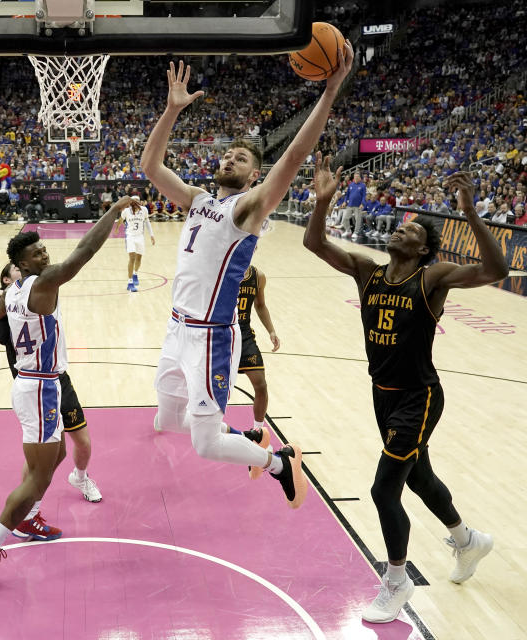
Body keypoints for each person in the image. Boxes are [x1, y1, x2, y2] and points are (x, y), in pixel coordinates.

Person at [139, 52, 352, 508]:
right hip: (177, 328)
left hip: (212, 337)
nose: (229, 159)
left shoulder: (247, 209)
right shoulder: (197, 199)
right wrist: (172, 109)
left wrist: (331, 90)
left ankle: (281, 462)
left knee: (205, 445)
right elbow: (151, 168)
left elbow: (294, 156)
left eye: (240, 159)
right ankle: (248, 436)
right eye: (227, 154)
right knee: (168, 419)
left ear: (254, 176)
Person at [303, 157, 502, 623]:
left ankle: (397, 581)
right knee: (416, 477)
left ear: (424, 249)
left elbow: (496, 268)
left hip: (419, 396)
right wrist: (322, 201)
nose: (400, 230)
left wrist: (471, 213)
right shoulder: (366, 270)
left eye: (411, 231)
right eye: (401, 227)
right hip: (383, 394)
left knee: (383, 489)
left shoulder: (431, 278)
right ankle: (468, 541)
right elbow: (314, 242)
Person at [0, 196, 134, 587]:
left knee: (58, 452)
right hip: (40, 387)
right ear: (23, 264)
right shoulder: (42, 283)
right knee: (39, 480)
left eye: (44, 248)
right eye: (36, 251)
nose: (44, 252)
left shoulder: (13, 290)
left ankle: (21, 517)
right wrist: (113, 212)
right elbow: (84, 251)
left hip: (38, 384)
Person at [0, 263, 103, 504]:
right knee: (42, 459)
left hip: (59, 379)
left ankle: (80, 477)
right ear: (8, 280)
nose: (25, 271)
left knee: (82, 442)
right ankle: (27, 506)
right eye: (17, 269)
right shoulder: (9, 314)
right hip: (34, 388)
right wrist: (3, 299)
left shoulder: (41, 293)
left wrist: (6, 294)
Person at [235, 264, 280, 455]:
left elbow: (260, 305)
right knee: (219, 387)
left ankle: (258, 432)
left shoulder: (258, 276)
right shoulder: (223, 270)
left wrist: (271, 330)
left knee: (260, 384)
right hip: (222, 334)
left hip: (244, 335)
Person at [114, 195, 155, 291]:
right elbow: (120, 219)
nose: (136, 203)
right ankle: (130, 282)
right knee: (132, 258)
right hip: (130, 236)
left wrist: (151, 235)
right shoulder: (126, 211)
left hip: (140, 237)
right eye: (134, 201)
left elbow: (147, 222)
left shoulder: (144, 210)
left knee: (139, 259)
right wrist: (116, 228)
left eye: (137, 201)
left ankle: (135, 274)